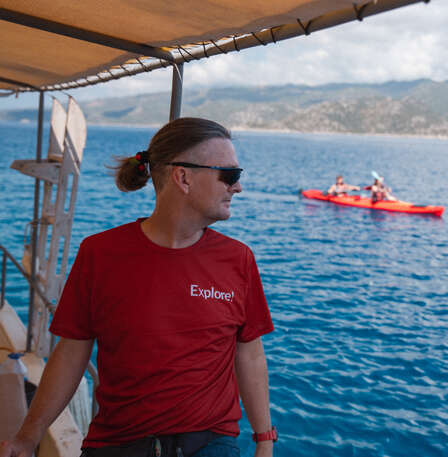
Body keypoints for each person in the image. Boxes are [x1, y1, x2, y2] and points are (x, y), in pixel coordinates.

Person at [0, 118, 275, 457]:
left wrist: (264, 440)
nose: (237, 187)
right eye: (229, 175)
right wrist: (27, 438)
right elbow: (71, 353)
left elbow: (249, 353)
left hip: (209, 444)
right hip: (119, 444)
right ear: (183, 177)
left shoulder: (239, 260)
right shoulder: (101, 254)